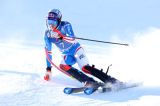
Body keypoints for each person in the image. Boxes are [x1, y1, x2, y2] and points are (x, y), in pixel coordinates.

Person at [44, 9, 119, 86]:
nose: (51, 25)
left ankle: (112, 81)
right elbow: (48, 53)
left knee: (84, 67)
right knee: (63, 66)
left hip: (76, 50)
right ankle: (89, 81)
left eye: (53, 22)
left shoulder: (66, 25)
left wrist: (60, 36)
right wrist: (48, 69)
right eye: (49, 22)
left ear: (59, 20)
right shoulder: (47, 34)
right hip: (67, 54)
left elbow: (72, 39)